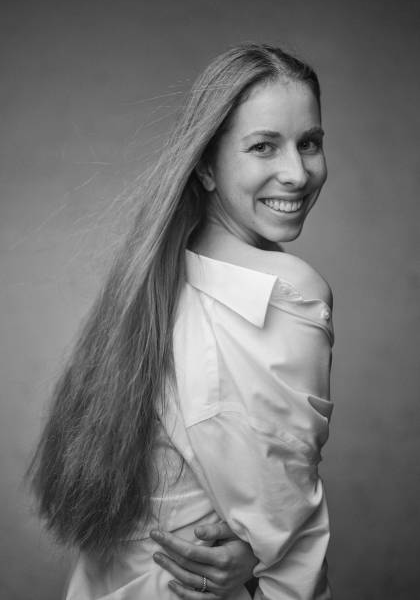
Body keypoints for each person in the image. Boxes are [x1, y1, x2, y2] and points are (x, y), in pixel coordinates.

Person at [28, 43, 334, 599]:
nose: (296, 173)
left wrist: (255, 547)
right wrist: (263, 551)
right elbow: (289, 527)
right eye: (263, 146)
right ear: (206, 166)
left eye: (308, 143)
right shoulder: (283, 290)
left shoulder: (155, 275)